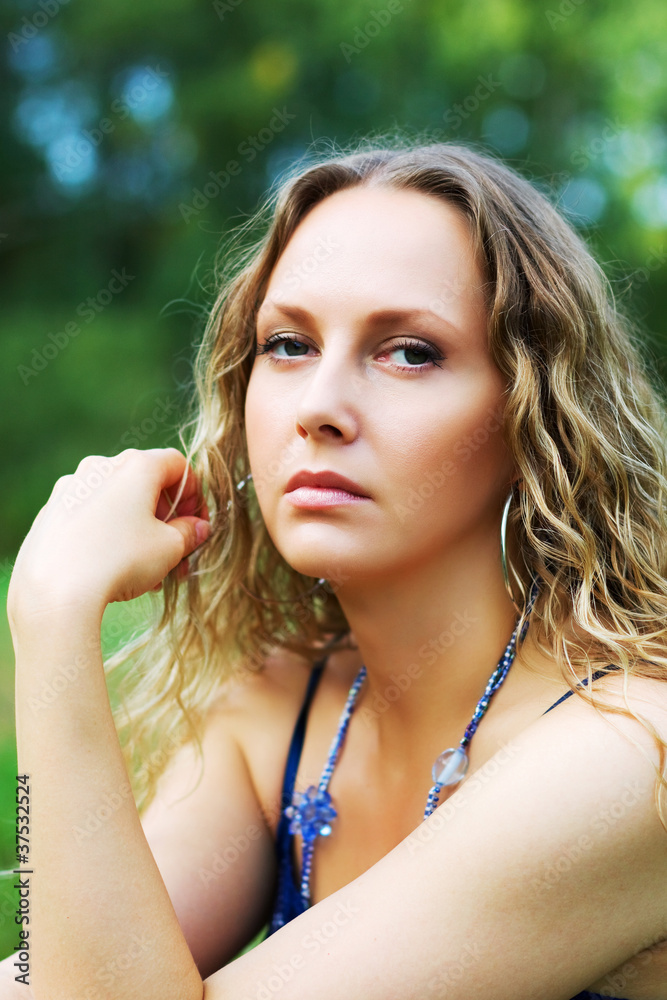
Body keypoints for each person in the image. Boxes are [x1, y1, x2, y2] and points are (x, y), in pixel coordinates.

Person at [4, 138, 667, 1000]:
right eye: (287, 344)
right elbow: (60, 978)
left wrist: (54, 621)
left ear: (534, 415)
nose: (318, 407)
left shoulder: (629, 753)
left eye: (409, 352)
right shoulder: (279, 714)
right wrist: (54, 604)